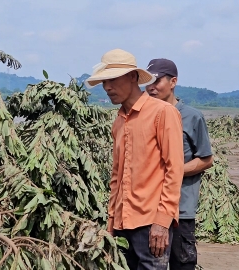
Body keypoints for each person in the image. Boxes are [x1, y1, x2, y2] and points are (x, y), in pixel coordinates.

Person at [85, 49, 184, 270]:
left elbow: (174, 169)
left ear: (132, 77)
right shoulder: (119, 122)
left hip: (151, 222)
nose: (107, 87)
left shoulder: (162, 112)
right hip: (122, 223)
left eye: (112, 80)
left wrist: (162, 221)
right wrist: (111, 221)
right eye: (103, 82)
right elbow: (116, 177)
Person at [145, 59, 214, 270]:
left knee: (181, 264)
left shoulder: (192, 117)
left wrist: (172, 173)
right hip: (148, 209)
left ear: (173, 82)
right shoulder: (146, 115)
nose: (151, 87)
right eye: (147, 82)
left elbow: (206, 159)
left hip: (180, 211)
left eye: (156, 81)